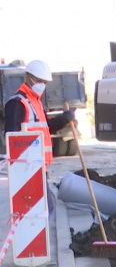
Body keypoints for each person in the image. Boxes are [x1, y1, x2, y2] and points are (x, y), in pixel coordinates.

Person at [4, 59, 75, 213]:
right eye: (38, 81)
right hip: (27, 167)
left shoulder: (35, 102)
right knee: (43, 210)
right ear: (28, 77)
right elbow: (11, 139)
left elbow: (46, 128)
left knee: (46, 210)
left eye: (44, 82)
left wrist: (64, 119)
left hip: (40, 166)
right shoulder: (17, 103)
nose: (41, 85)